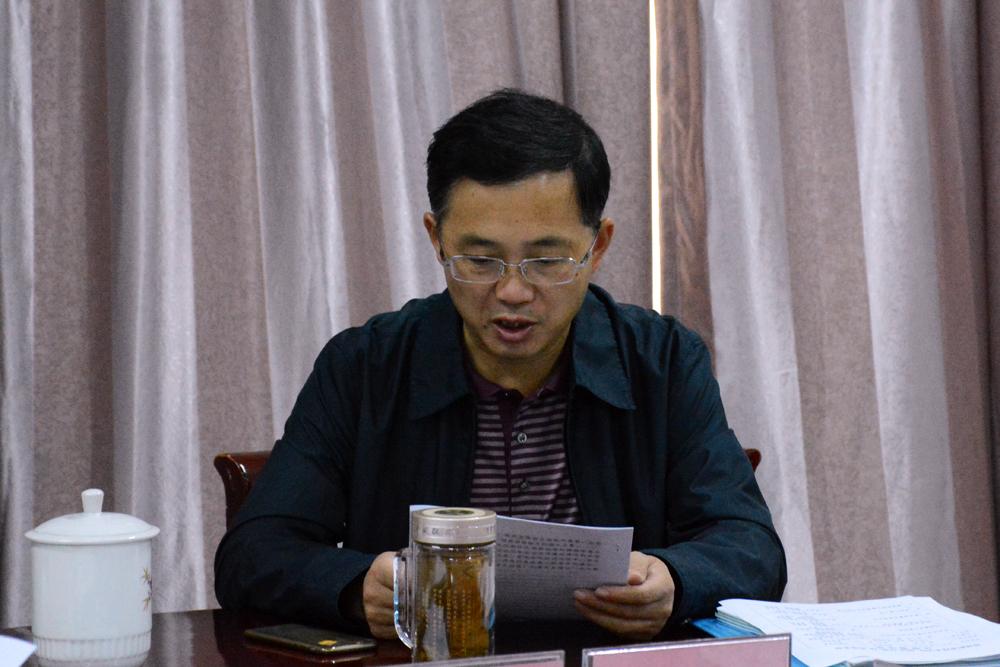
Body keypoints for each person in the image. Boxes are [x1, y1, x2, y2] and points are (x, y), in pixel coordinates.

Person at [214, 89, 786, 641]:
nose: (513, 292)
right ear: (437, 240)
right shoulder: (365, 368)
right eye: (481, 260)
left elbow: (751, 546)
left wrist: (674, 580)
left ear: (597, 247)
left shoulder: (662, 363)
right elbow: (252, 554)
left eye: (546, 261)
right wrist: (354, 586)